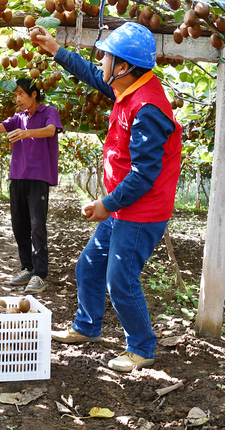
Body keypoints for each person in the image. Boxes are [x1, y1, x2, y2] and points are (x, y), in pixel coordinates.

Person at [33, 22, 182, 372]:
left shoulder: (148, 108)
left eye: (106, 56)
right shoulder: (128, 88)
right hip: (123, 205)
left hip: (141, 210)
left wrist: (107, 204)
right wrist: (56, 50)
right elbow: (91, 74)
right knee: (88, 266)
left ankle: (142, 348)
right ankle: (87, 327)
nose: (100, 60)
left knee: (120, 279)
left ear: (124, 67)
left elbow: (145, 175)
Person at [0, 78, 63, 294]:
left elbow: (50, 130)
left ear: (34, 94)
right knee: (19, 225)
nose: (17, 98)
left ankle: (40, 274)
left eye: (21, 93)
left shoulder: (49, 112)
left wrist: (26, 132)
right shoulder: (18, 118)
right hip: (18, 177)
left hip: (38, 177)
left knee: (37, 225)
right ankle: (27, 268)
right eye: (15, 95)